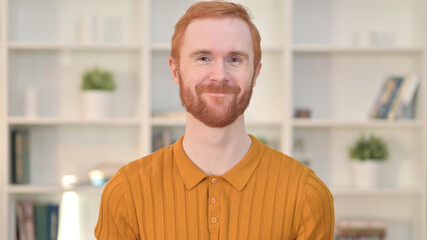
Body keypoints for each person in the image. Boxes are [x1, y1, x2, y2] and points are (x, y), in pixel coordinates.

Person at [95, 1, 334, 239]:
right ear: (175, 70)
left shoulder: (307, 196)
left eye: (235, 59)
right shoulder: (125, 193)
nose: (220, 76)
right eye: (203, 58)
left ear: (256, 73)